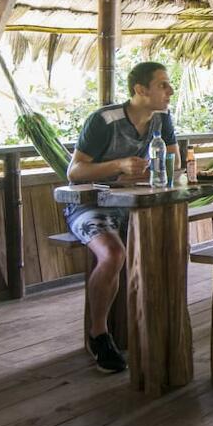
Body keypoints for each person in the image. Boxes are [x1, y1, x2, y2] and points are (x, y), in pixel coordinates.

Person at [64, 61, 179, 373]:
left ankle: (158, 328)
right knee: (114, 254)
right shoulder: (104, 120)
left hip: (133, 204)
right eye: (162, 85)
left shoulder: (162, 119)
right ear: (140, 90)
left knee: (167, 247)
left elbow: (174, 163)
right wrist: (119, 166)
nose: (169, 91)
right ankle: (98, 334)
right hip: (89, 205)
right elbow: (74, 172)